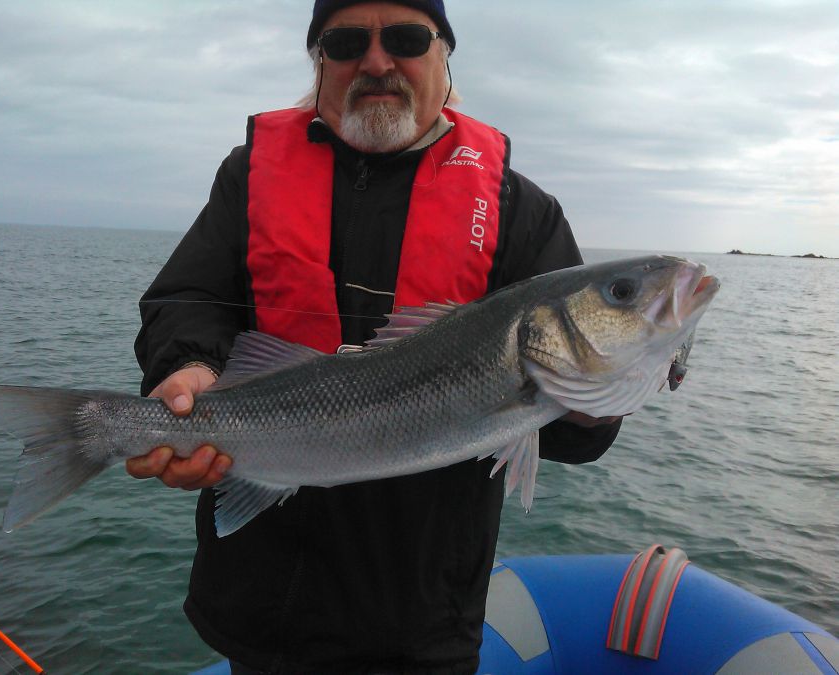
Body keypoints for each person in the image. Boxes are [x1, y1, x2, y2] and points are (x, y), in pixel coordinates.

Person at [130, 1, 622, 672]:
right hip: (262, 609)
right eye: (346, 41)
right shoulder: (249, 177)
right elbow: (187, 299)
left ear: (445, 53)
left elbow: (570, 432)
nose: (377, 61)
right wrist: (185, 362)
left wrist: (601, 398)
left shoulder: (519, 212)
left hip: (421, 626)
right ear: (319, 61)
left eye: (406, 37)